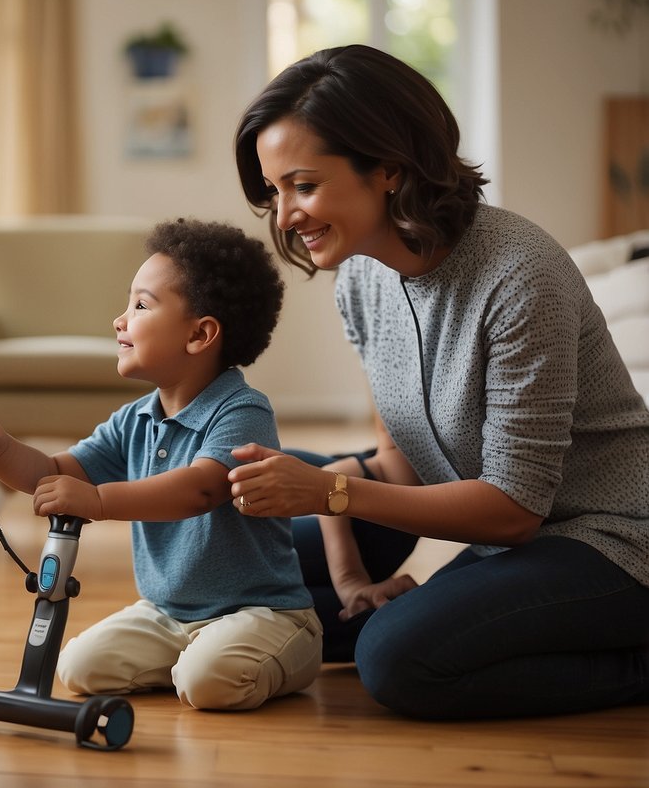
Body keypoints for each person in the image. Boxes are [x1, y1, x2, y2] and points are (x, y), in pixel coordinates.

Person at [229, 43, 649, 720]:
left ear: (389, 168)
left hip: (614, 538)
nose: (284, 217)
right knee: (254, 582)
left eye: (302, 186)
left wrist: (328, 491)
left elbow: (512, 510)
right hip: (512, 540)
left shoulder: (520, 276)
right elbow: (401, 462)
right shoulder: (362, 275)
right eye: (274, 191)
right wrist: (326, 525)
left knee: (397, 660)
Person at [0, 218, 323, 711]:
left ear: (200, 334)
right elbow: (55, 471)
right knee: (80, 668)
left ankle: (283, 652)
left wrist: (98, 501)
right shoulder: (134, 419)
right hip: (166, 614)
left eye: (140, 306)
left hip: (263, 612)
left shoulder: (242, 410)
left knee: (211, 682)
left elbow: (202, 488)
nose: (120, 320)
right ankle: (192, 657)